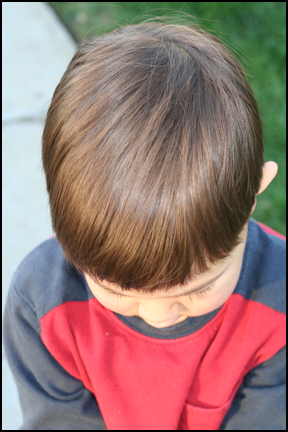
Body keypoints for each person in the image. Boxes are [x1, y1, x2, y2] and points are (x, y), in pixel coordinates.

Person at [3, 20, 286, 430]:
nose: (159, 317)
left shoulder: (277, 305)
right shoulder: (44, 305)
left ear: (253, 193)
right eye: (117, 291)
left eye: (197, 289)